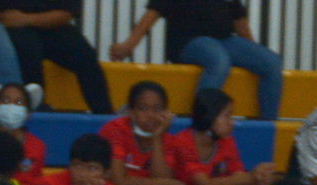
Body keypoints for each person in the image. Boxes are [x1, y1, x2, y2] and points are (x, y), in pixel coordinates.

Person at [109, 0, 282, 120]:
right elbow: (153, 13)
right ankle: (202, 122)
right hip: (187, 41)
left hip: (224, 40)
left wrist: (252, 52)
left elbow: (239, 20)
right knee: (219, 61)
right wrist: (130, 44)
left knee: (272, 63)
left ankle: (268, 125)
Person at [165, 88, 276, 185]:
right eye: (227, 116)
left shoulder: (226, 141)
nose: (232, 122)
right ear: (209, 117)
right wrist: (248, 177)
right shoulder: (182, 142)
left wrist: (258, 177)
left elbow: (239, 176)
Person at [0, 0, 113, 114]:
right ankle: (36, 106)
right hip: (9, 26)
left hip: (50, 26)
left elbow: (65, 14)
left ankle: (104, 113)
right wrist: (1, 18)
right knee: (28, 48)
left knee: (86, 55)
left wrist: (26, 19)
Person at [0, 82, 46, 185]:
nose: (11, 106)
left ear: (28, 113)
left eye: (19, 102)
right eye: (5, 101)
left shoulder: (38, 145)